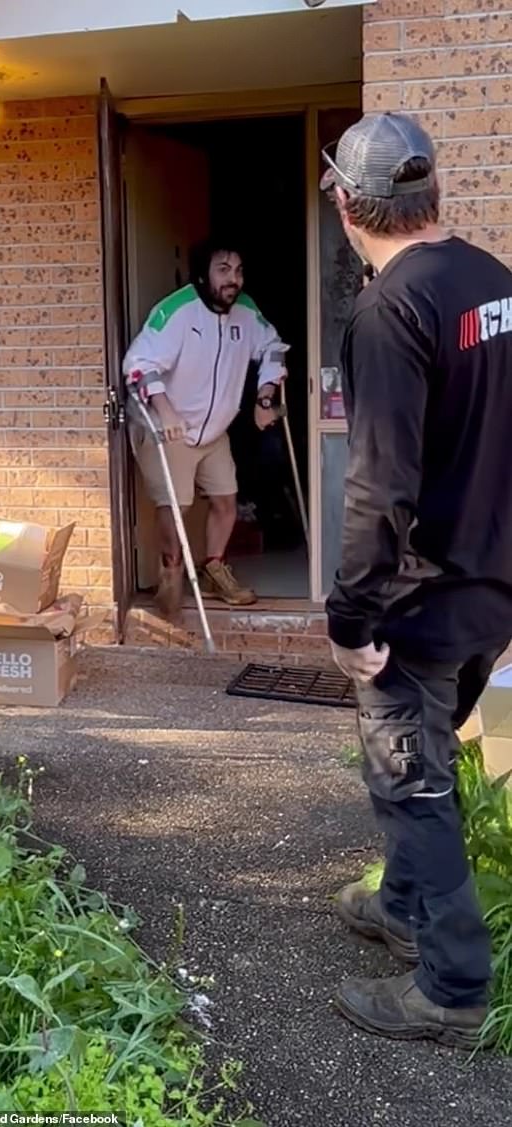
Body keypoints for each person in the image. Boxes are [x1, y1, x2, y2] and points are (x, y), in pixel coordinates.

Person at [320, 112, 512, 1048]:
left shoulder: (390, 309)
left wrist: (351, 620)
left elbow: (378, 487)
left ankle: (453, 987)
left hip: (421, 608)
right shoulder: (495, 284)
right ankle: (398, 906)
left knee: (411, 784)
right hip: (493, 592)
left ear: (349, 207)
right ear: (431, 195)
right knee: (424, 762)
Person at [123, 239, 288, 619]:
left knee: (226, 499)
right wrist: (164, 411)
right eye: (224, 270)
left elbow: (273, 347)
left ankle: (213, 569)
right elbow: (138, 364)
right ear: (202, 275)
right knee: (176, 508)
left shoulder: (246, 311)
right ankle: (171, 575)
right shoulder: (177, 310)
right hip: (172, 427)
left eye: (239, 271)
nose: (234, 280)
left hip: (214, 430)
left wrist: (265, 398)